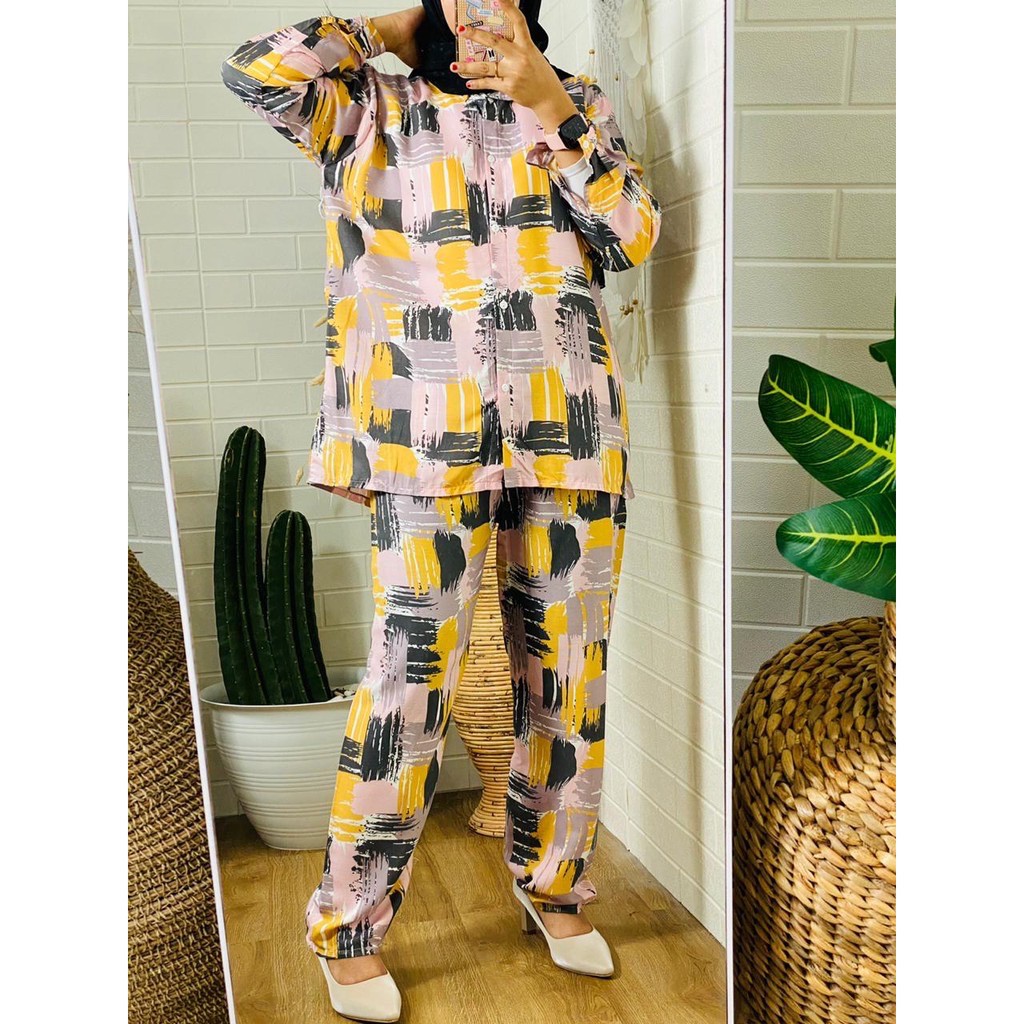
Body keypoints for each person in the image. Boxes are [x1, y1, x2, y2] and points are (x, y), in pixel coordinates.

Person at [220, 1, 661, 1019]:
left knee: (568, 680)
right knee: (405, 687)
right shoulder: (364, 108)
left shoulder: (578, 104)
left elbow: (633, 234)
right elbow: (253, 71)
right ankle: (348, 925)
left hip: (570, 428)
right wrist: (387, 28)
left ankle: (554, 887)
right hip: (422, 439)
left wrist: (549, 102)